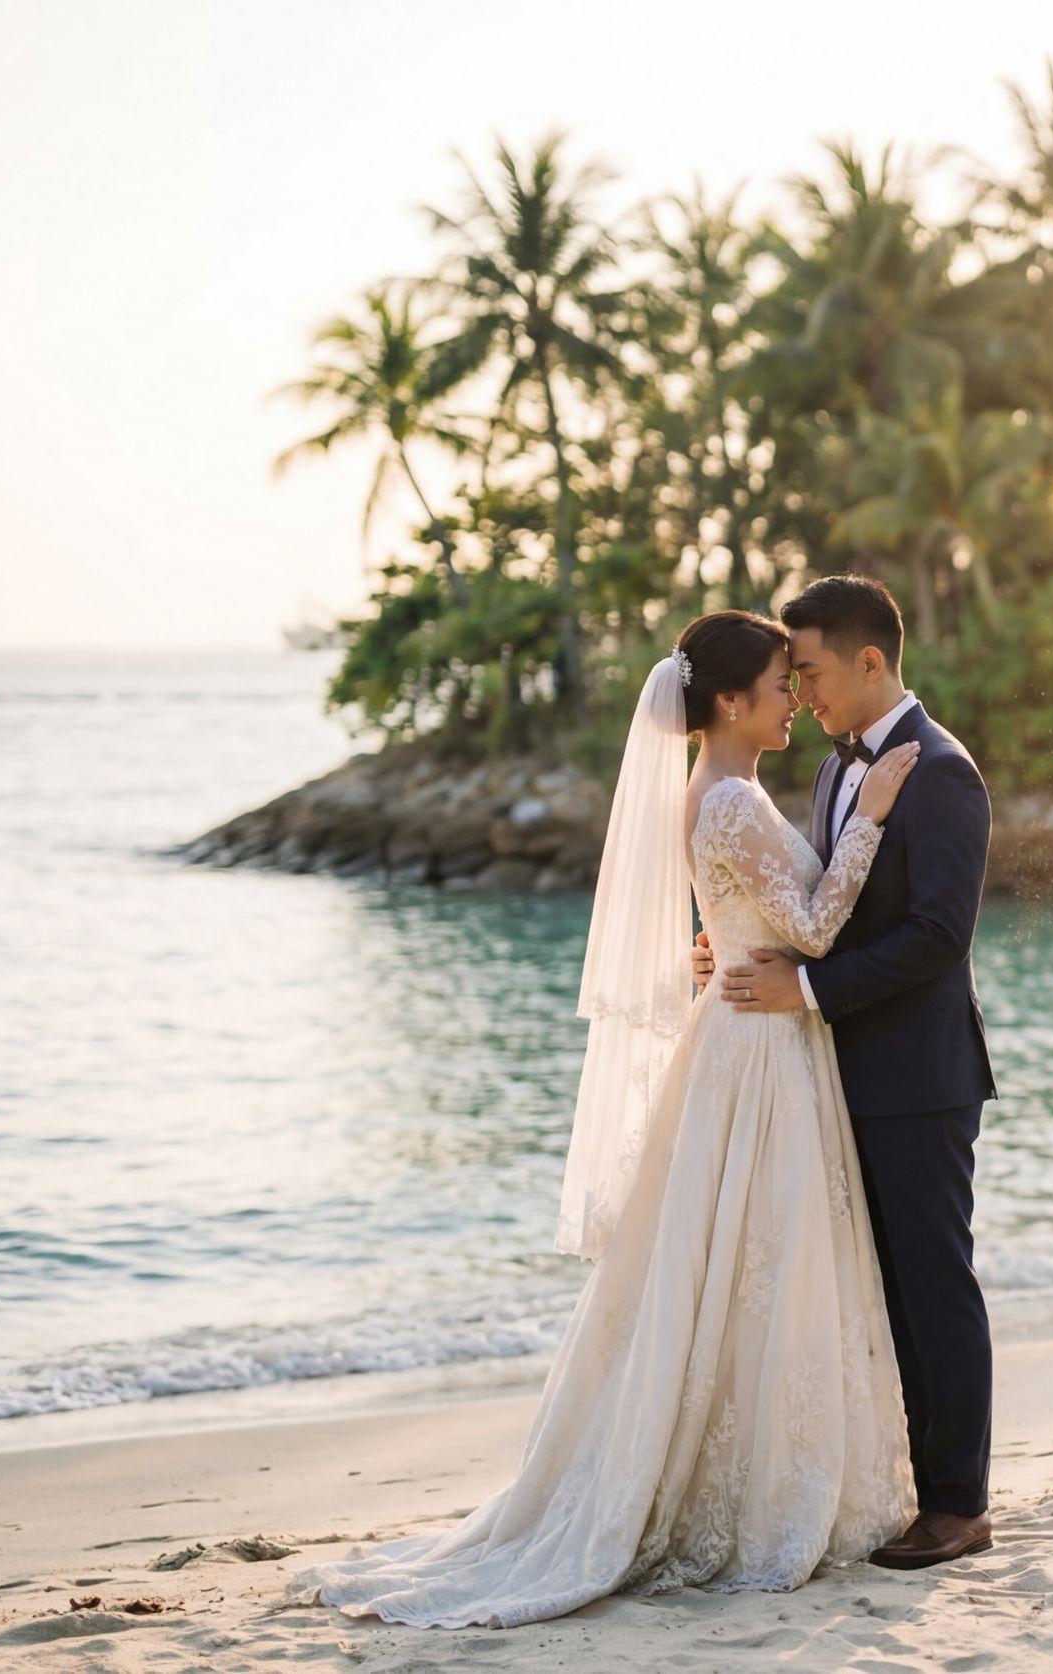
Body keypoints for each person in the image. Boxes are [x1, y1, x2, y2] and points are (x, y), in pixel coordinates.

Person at [290, 609, 924, 1627]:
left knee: (742, 1268)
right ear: (730, 701)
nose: (793, 701)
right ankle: (754, 1496)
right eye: (779, 685)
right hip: (759, 1056)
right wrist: (871, 818)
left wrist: (722, 949)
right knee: (760, 1260)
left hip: (748, 1038)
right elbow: (811, 926)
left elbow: (748, 921)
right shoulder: (730, 801)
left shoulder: (717, 792)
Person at [702, 574, 1001, 1570]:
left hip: (918, 1078)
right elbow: (824, 902)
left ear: (870, 662)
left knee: (934, 1286)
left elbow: (938, 936)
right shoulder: (838, 770)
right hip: (836, 1074)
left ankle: (958, 1504)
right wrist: (740, 951)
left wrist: (805, 991)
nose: (803, 691)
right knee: (880, 1297)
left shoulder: (944, 773)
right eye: (791, 677)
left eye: (813, 671)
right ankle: (908, 1485)